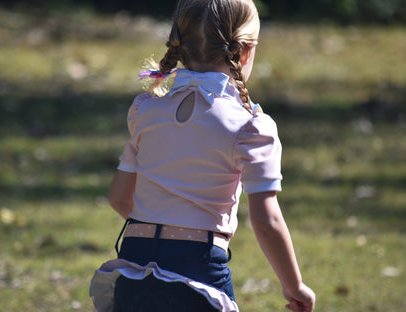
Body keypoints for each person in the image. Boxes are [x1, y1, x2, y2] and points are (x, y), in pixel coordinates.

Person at [90, 0, 315, 311]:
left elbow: (118, 197)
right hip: (198, 271)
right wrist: (295, 286)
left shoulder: (147, 111)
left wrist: (159, 229)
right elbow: (266, 220)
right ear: (245, 51)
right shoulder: (249, 128)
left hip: (134, 264)